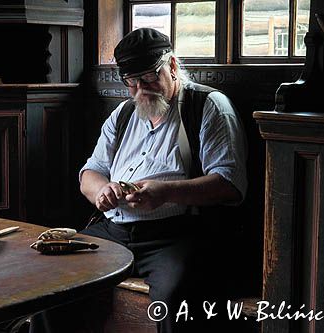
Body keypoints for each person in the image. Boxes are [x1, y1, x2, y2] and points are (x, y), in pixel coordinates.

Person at [31, 27, 247, 333]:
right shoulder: (123, 114)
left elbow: (229, 184)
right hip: (114, 230)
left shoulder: (208, 107)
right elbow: (90, 173)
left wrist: (166, 192)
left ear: (172, 66)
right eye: (131, 83)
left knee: (174, 300)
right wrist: (102, 191)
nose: (141, 91)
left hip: (177, 236)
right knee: (52, 282)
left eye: (148, 79)